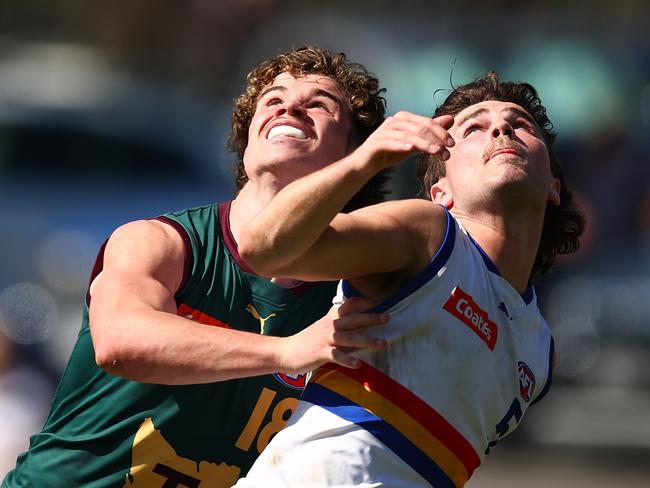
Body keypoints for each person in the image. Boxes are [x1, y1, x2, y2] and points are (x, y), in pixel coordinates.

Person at [2, 46, 392, 488]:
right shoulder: (161, 242)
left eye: (320, 103)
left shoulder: (350, 299)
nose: (290, 105)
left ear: (356, 154)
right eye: (273, 98)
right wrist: (288, 351)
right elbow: (121, 343)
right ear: (247, 139)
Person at [235, 72, 586, 487]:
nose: (501, 127)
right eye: (473, 127)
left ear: (553, 187)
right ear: (441, 192)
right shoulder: (431, 235)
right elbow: (263, 248)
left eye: (521, 125)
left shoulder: (541, 350)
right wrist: (367, 158)